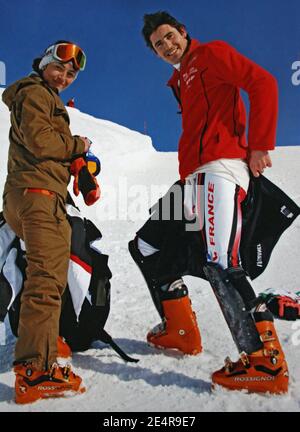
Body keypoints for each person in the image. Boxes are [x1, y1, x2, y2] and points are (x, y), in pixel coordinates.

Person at [128, 11, 290, 394]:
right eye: (158, 45)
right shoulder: (180, 78)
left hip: (220, 169)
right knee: (146, 244)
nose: (167, 46)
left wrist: (259, 145)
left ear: (183, 32)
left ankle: (265, 362)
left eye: (169, 37)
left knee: (221, 263)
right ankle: (180, 331)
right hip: (190, 180)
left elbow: (263, 83)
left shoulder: (211, 54)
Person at [2, 40, 92, 403]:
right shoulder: (37, 94)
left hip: (31, 193)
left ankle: (40, 349)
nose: (65, 76)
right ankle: (36, 372)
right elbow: (42, 142)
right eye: (60, 67)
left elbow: (39, 144)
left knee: (43, 275)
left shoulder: (38, 95)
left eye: (71, 74)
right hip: (38, 198)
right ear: (44, 62)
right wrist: (76, 146)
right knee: (46, 279)